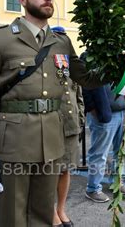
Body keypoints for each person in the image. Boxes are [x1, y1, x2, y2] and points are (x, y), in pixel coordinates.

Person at [0, 0, 103, 226]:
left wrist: (124, 65)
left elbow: (86, 78)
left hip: (52, 139)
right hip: (14, 139)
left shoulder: (61, 41)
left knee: (43, 211)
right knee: (14, 213)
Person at [50, 26, 85, 227]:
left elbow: (78, 95)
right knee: (50, 172)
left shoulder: (70, 66)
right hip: (51, 124)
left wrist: (80, 119)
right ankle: (50, 212)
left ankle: (60, 209)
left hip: (71, 125)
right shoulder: (44, 64)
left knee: (65, 170)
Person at [83, 82, 125, 203]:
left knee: (121, 150)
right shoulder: (92, 63)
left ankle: (117, 181)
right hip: (103, 113)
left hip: (122, 110)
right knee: (99, 153)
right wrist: (92, 108)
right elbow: (85, 84)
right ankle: (92, 189)